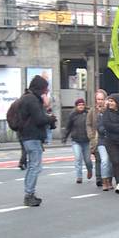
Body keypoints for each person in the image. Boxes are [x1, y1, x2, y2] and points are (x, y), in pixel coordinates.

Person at [18, 75, 57, 207]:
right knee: (35, 167)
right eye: (45, 89)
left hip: (26, 136)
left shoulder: (25, 97)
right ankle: (29, 195)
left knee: (32, 166)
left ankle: (29, 193)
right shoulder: (32, 100)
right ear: (40, 87)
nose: (46, 92)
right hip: (32, 137)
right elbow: (39, 119)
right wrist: (51, 119)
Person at [63, 98, 93, 184]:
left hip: (86, 141)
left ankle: (89, 169)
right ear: (76, 106)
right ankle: (79, 177)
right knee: (78, 158)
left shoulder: (87, 114)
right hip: (76, 140)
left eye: (82, 105)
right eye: (79, 105)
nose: (81, 106)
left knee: (87, 160)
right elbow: (68, 127)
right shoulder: (72, 115)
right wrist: (65, 137)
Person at [103, 94, 119, 194]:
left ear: (117, 102)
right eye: (109, 101)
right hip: (111, 141)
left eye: (112, 101)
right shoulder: (107, 113)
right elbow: (107, 125)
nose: (110, 103)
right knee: (116, 161)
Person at [88, 89, 113, 191]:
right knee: (101, 159)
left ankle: (109, 179)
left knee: (110, 160)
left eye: (102, 99)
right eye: (98, 99)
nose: (100, 101)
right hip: (96, 138)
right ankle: (101, 179)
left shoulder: (109, 109)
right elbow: (88, 124)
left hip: (109, 138)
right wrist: (91, 135)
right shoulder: (92, 111)